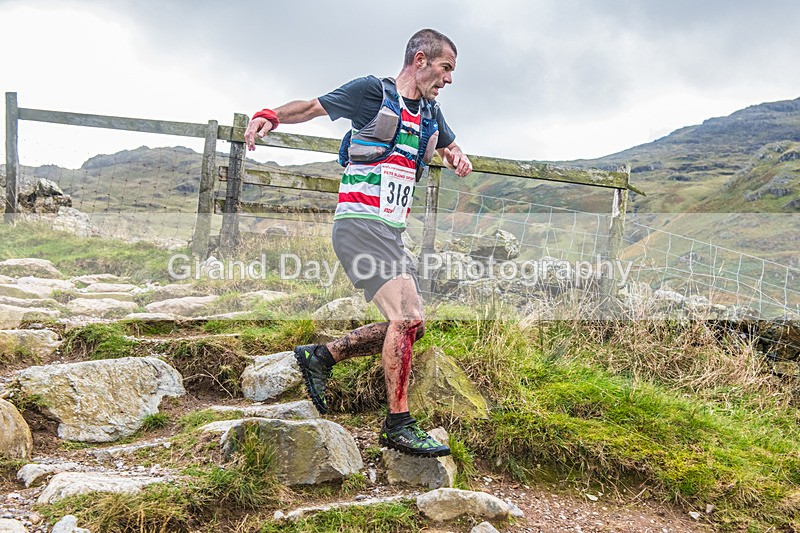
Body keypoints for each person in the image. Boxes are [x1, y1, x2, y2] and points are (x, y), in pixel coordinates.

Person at [244, 28, 473, 457]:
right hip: (358, 224)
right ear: (420, 60)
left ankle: (322, 358)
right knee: (405, 320)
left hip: (390, 231)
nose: (449, 79)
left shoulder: (430, 114)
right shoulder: (372, 92)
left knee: (412, 324)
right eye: (445, 68)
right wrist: (269, 115)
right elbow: (312, 107)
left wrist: (457, 155)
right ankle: (398, 424)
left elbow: (450, 145)